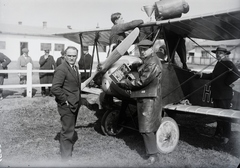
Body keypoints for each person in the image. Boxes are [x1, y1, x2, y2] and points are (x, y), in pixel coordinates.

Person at [117, 39, 162, 165]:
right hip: (146, 96)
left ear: (151, 49)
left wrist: (124, 83)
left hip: (150, 98)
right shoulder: (147, 60)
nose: (142, 52)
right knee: (145, 127)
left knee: (147, 128)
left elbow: (142, 81)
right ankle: (152, 153)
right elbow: (141, 71)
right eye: (140, 49)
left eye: (145, 49)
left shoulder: (153, 62)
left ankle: (153, 156)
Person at [99, 13, 144, 109]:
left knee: (115, 78)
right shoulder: (117, 27)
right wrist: (141, 21)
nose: (123, 20)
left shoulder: (118, 31)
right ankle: (132, 93)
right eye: (121, 18)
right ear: (116, 20)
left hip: (114, 56)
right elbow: (132, 24)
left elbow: (131, 40)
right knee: (117, 77)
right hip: (117, 57)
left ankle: (110, 99)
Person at [198, 45, 240, 144]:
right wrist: (201, 75)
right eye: (217, 53)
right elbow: (213, 76)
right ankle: (218, 133)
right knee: (218, 115)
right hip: (216, 94)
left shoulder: (228, 63)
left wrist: (227, 83)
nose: (218, 55)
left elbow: (236, 74)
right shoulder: (219, 63)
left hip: (224, 95)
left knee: (225, 116)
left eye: (220, 53)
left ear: (225, 54)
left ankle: (226, 136)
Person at [51, 46, 81, 161]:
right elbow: (55, 88)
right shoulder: (61, 69)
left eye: (74, 56)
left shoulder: (74, 67)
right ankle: (66, 159)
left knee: (70, 129)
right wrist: (65, 100)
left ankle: (66, 155)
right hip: (67, 105)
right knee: (67, 131)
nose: (72, 58)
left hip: (74, 103)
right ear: (64, 56)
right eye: (69, 56)